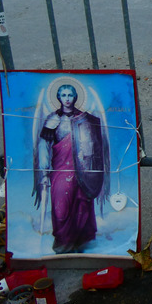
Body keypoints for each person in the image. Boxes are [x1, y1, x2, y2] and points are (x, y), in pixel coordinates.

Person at [33, 83, 110, 254]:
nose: (67, 99)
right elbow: (44, 147)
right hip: (61, 169)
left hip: (82, 171)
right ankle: (63, 243)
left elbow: (95, 147)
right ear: (58, 98)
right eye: (63, 95)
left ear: (75, 97)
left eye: (70, 95)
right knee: (61, 206)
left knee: (82, 204)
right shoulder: (53, 119)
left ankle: (81, 241)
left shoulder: (85, 119)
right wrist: (44, 173)